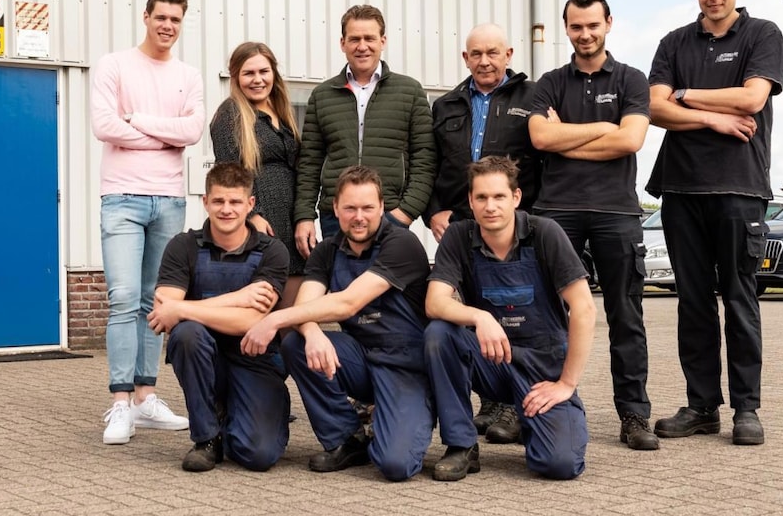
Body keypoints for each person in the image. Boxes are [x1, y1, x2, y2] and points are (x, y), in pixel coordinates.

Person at [647, 0, 783, 447]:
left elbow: (752, 98)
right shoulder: (674, 42)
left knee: (740, 299)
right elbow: (653, 108)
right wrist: (712, 117)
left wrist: (685, 95)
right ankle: (702, 406)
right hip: (681, 189)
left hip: (739, 188)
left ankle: (747, 409)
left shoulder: (762, 35)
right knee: (693, 303)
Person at [526, 0, 658, 451]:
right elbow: (540, 138)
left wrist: (567, 137)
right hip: (556, 212)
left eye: (593, 25)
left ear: (609, 24)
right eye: (576, 26)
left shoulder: (631, 80)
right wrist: (604, 127)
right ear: (566, 28)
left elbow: (630, 141)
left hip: (616, 211)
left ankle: (634, 415)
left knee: (626, 316)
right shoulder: (549, 83)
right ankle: (543, 409)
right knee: (546, 315)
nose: (585, 34)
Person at [243, 166, 432, 482]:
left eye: (367, 208)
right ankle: (346, 438)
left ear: (382, 207)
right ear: (335, 208)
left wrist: (275, 318)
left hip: (405, 368)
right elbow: (305, 305)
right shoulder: (328, 250)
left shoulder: (402, 244)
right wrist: (312, 331)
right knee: (297, 343)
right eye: (350, 208)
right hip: (360, 359)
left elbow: (349, 303)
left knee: (395, 465)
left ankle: (409, 414)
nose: (359, 217)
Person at [423, 156, 592, 481]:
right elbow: (435, 302)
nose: (490, 206)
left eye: (499, 196)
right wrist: (480, 317)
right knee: (439, 334)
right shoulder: (459, 237)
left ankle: (534, 423)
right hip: (492, 362)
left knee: (559, 465)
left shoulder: (545, 234)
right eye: (482, 197)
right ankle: (461, 445)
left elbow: (584, 308)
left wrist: (566, 384)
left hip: (541, 371)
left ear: (516, 197)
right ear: (470, 201)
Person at [92, 0, 206, 445]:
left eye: (176, 19)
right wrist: (165, 138)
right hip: (121, 197)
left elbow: (192, 130)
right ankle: (120, 403)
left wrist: (136, 121)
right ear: (145, 16)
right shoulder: (114, 65)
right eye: (161, 17)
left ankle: (146, 398)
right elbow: (104, 125)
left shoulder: (189, 75)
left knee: (154, 302)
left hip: (169, 200)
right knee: (123, 298)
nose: (167, 26)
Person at [422, 23, 542, 438]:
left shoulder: (532, 97)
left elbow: (544, 162)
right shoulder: (446, 105)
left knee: (512, 311)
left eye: (493, 52)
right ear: (465, 58)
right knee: (473, 308)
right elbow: (430, 163)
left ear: (509, 54)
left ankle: (512, 403)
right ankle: (491, 401)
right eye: (476, 54)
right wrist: (433, 211)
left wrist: (533, 218)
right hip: (459, 223)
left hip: (511, 223)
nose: (485, 61)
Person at [149, 162, 292, 472]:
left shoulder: (272, 250)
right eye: (218, 201)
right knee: (187, 335)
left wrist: (183, 308)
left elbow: (251, 321)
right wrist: (239, 298)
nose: (226, 209)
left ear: (250, 204)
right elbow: (165, 315)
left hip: (255, 360)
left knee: (258, 455)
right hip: (206, 357)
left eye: (235, 202)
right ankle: (207, 438)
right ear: (205, 201)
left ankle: (238, 413)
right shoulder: (183, 246)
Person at [293, 5, 434, 260]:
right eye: (354, 39)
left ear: (383, 41)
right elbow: (310, 162)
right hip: (336, 216)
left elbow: (425, 158)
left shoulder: (410, 91)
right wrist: (304, 216)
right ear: (342, 43)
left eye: (369, 38)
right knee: (341, 281)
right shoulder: (322, 96)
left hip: (390, 214)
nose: (362, 46)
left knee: (386, 283)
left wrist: (406, 211)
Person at [209, 42, 304, 304]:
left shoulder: (282, 111)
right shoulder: (230, 114)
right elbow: (229, 175)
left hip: (290, 217)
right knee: (263, 303)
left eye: (264, 71)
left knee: (293, 308)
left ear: (274, 72)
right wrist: (253, 215)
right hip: (261, 220)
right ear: (235, 76)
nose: (258, 80)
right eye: (248, 73)